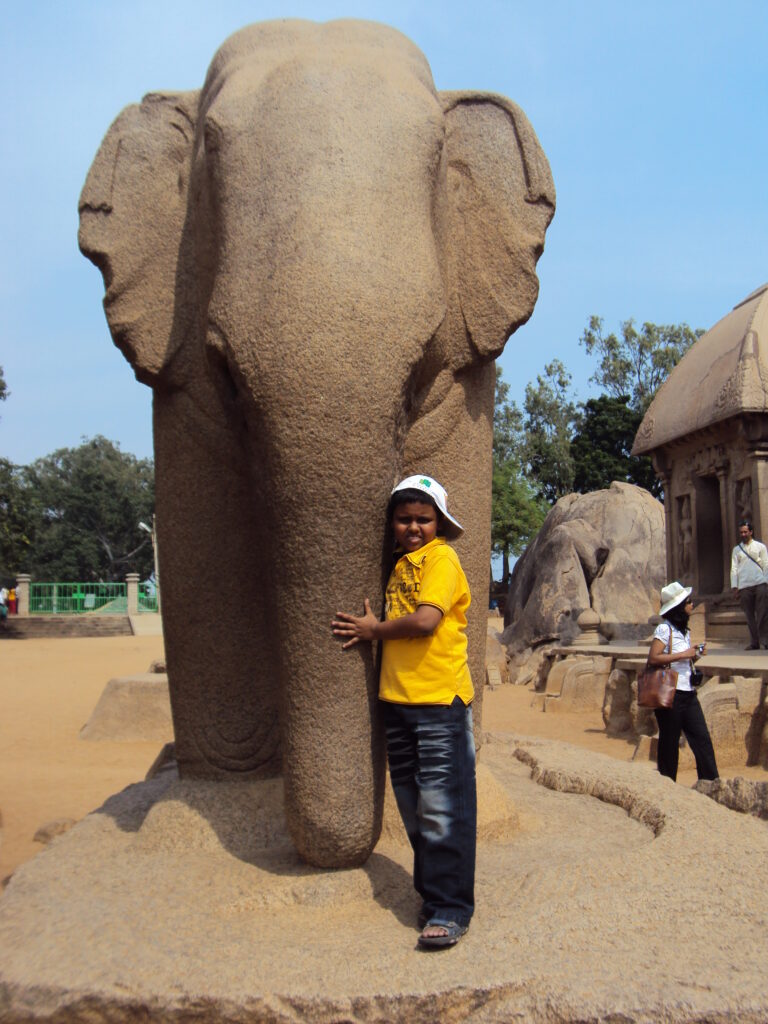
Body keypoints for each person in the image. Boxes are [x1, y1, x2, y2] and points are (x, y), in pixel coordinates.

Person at [332, 474, 476, 950]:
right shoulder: (399, 565)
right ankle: (434, 895)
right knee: (415, 810)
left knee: (442, 810)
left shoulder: (442, 558)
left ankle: (451, 908)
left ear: (439, 523)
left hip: (439, 702)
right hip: (397, 701)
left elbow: (426, 621)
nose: (413, 527)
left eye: (423, 519)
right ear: (392, 522)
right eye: (404, 518)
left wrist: (373, 631)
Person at [648, 581, 718, 782]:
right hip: (671, 694)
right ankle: (667, 785)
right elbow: (653, 658)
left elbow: (684, 659)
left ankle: (711, 784)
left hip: (688, 693)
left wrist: (695, 655)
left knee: (702, 740)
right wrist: (683, 655)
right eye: (689, 602)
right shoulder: (664, 629)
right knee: (669, 744)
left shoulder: (684, 631)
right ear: (679, 607)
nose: (692, 605)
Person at [730, 519, 768, 650]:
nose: (743, 534)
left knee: (763, 613)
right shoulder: (737, 550)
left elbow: (766, 565)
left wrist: (767, 581)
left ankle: (765, 640)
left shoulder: (760, 547)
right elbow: (734, 569)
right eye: (741, 532)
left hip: (760, 583)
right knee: (749, 615)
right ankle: (754, 642)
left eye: (746, 532)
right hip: (744, 586)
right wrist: (735, 587)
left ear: (751, 532)